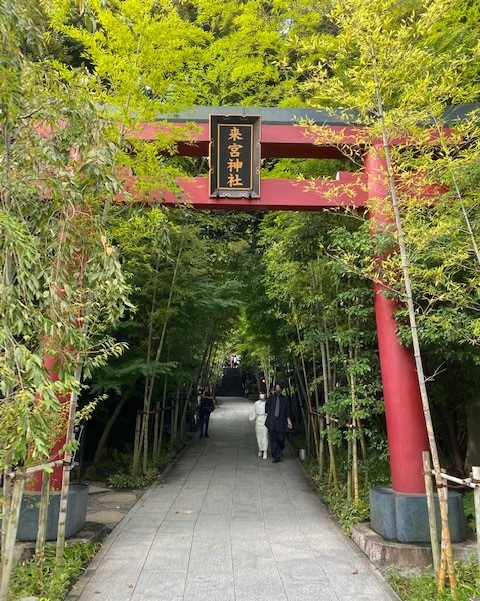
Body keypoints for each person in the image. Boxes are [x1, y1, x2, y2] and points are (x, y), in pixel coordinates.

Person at [265, 384, 292, 463]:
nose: (277, 389)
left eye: (279, 387)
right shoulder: (271, 398)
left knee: (281, 438)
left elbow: (287, 410)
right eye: (276, 387)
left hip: (281, 421)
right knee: (273, 439)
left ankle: (279, 450)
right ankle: (276, 455)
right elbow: (266, 408)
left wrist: (289, 421)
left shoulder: (285, 399)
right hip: (272, 421)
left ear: (281, 389)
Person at [249, 392, 269, 459]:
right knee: (259, 435)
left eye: (263, 394)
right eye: (260, 394)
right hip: (258, 419)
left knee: (265, 435)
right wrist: (251, 418)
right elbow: (253, 411)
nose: (261, 395)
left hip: (265, 419)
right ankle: (260, 449)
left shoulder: (268, 402)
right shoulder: (257, 403)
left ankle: (265, 450)